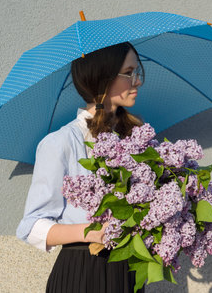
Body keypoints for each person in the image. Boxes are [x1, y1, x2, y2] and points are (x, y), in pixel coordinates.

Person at [16, 42, 146, 293]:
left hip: (128, 271)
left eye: (137, 72)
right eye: (129, 73)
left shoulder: (133, 139)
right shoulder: (61, 143)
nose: (137, 81)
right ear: (104, 78)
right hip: (83, 272)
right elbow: (30, 227)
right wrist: (92, 232)